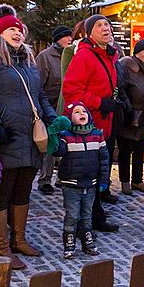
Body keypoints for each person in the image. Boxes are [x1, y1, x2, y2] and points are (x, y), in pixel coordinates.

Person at [0, 12, 57, 269]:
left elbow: (39, 94)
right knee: (1, 191)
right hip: (6, 136)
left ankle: (19, 239)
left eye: (20, 30)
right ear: (0, 33)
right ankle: (2, 247)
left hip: (31, 137)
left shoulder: (28, 61)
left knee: (23, 189)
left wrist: (51, 116)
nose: (18, 33)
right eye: (12, 30)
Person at [62, 14, 123, 233]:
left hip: (103, 123)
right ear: (89, 33)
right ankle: (85, 221)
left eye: (107, 24)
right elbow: (71, 91)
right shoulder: (84, 56)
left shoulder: (109, 55)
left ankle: (94, 215)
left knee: (97, 172)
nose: (105, 28)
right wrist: (99, 103)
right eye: (99, 25)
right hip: (88, 126)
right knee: (87, 174)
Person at [53, 103, 110, 258]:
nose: (81, 113)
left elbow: (104, 160)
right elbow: (57, 151)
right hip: (71, 185)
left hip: (90, 184)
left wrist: (104, 181)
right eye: (76, 112)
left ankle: (88, 243)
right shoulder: (66, 136)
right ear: (70, 118)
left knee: (87, 215)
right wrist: (54, 134)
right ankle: (69, 244)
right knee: (72, 215)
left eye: (84, 111)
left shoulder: (97, 135)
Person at [116, 39, 144, 195]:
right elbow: (121, 89)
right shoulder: (127, 67)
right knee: (124, 150)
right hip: (129, 115)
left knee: (139, 149)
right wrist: (127, 107)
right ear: (137, 53)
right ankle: (124, 182)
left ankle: (137, 180)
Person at [35, 25, 74, 195]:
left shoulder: (73, 55)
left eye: (70, 36)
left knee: (68, 142)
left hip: (68, 105)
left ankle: (63, 177)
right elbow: (38, 84)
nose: (69, 39)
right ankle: (45, 179)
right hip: (49, 105)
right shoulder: (45, 57)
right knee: (51, 144)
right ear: (57, 38)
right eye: (65, 36)